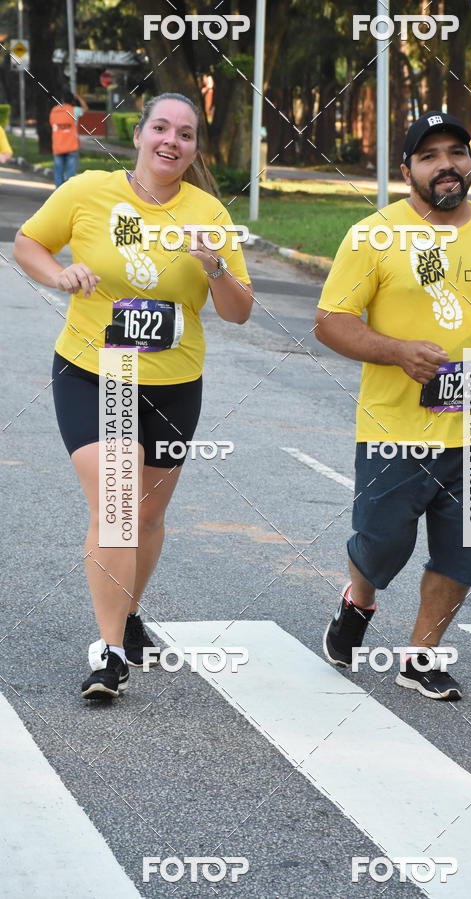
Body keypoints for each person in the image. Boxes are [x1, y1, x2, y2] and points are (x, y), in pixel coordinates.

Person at [14, 92, 253, 699]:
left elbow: (240, 313)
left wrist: (217, 268)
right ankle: (110, 651)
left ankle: (125, 615)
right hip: (95, 372)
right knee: (117, 505)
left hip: (174, 385)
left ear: (196, 148)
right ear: (140, 134)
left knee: (146, 516)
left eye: (186, 134)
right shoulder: (89, 191)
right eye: (161, 128)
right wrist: (58, 274)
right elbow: (28, 243)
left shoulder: (208, 215)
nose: (171, 141)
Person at [315, 111, 471, 701]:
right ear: (407, 171)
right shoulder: (373, 235)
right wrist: (395, 351)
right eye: (429, 155)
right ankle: (359, 599)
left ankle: (421, 656)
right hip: (394, 426)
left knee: (466, 551)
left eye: (456, 152)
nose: (446, 164)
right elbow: (329, 323)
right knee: (382, 544)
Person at [49, 90, 88, 188]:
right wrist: (78, 98)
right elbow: (85, 108)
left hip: (57, 146)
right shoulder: (74, 110)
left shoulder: (54, 110)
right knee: (70, 173)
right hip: (71, 146)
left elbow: (52, 124)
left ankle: (58, 193)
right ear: (72, 100)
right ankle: (68, 193)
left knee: (58, 172)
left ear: (62, 100)